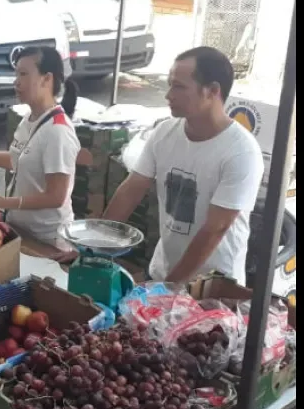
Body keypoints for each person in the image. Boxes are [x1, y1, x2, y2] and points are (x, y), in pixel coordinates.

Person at [103, 46, 264, 284]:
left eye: (179, 86)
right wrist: (95, 246)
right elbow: (131, 189)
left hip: (211, 288)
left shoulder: (241, 151)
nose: (168, 95)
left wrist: (170, 288)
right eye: (170, 84)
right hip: (162, 271)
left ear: (212, 91)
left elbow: (215, 228)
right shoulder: (164, 132)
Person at [0, 46, 81, 250]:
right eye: (16, 73)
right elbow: (16, 159)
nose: (16, 81)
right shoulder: (29, 119)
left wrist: (3, 202)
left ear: (47, 79)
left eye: (24, 74)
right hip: (21, 230)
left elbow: (56, 196)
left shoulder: (58, 132)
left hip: (48, 240)